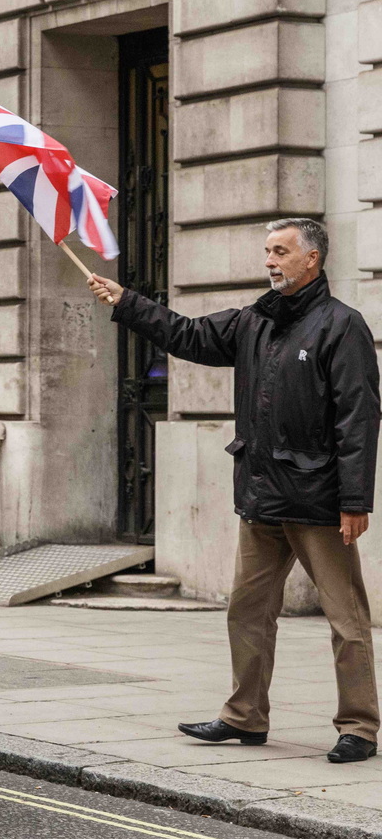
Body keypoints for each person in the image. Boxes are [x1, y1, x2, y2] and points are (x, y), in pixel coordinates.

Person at [90, 217, 381, 764]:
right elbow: (188, 335)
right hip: (262, 495)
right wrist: (127, 301)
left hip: (318, 502)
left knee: (346, 620)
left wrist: (354, 501)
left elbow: (359, 418)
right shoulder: (255, 320)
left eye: (281, 251)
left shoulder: (342, 326)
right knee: (246, 612)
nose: (270, 261)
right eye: (267, 251)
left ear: (311, 260)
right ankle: (245, 716)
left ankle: (359, 728)